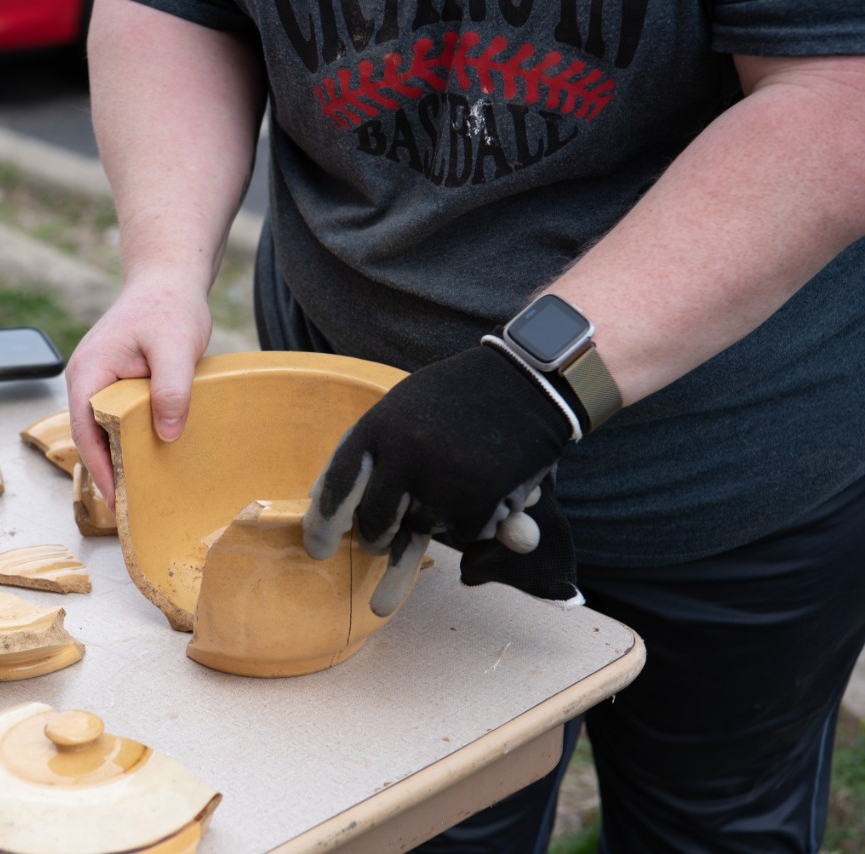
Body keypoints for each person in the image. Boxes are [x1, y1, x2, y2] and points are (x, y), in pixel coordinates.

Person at [64, 0, 865, 850]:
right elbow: (173, 12)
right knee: (432, 825)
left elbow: (835, 92)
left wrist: (533, 383)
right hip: (373, 473)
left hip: (726, 476)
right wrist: (162, 267)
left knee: (712, 824)